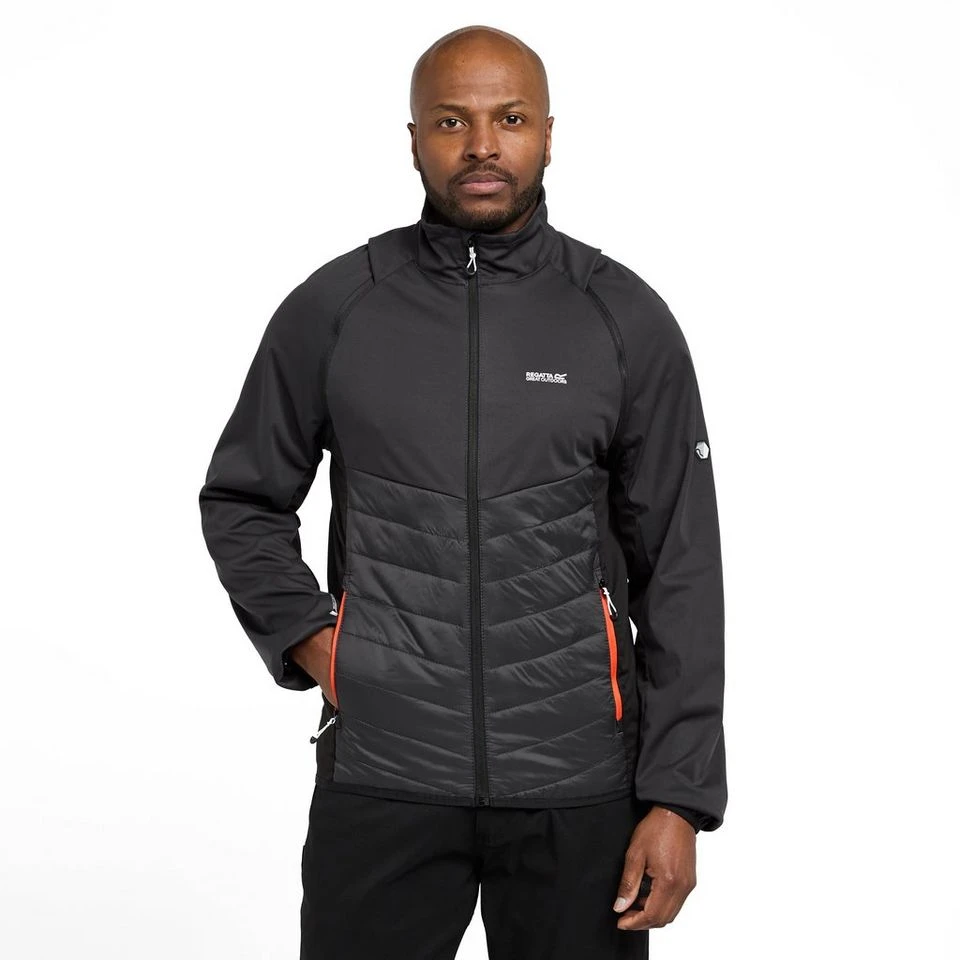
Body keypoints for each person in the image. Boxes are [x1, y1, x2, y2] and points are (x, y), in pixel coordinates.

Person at [199, 23, 726, 960]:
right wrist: (315, 641)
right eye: (451, 121)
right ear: (413, 139)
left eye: (509, 119)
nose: (482, 145)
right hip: (384, 777)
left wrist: (678, 798)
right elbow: (243, 498)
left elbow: (680, 567)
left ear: (549, 134)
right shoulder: (337, 307)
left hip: (580, 787)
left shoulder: (621, 317)